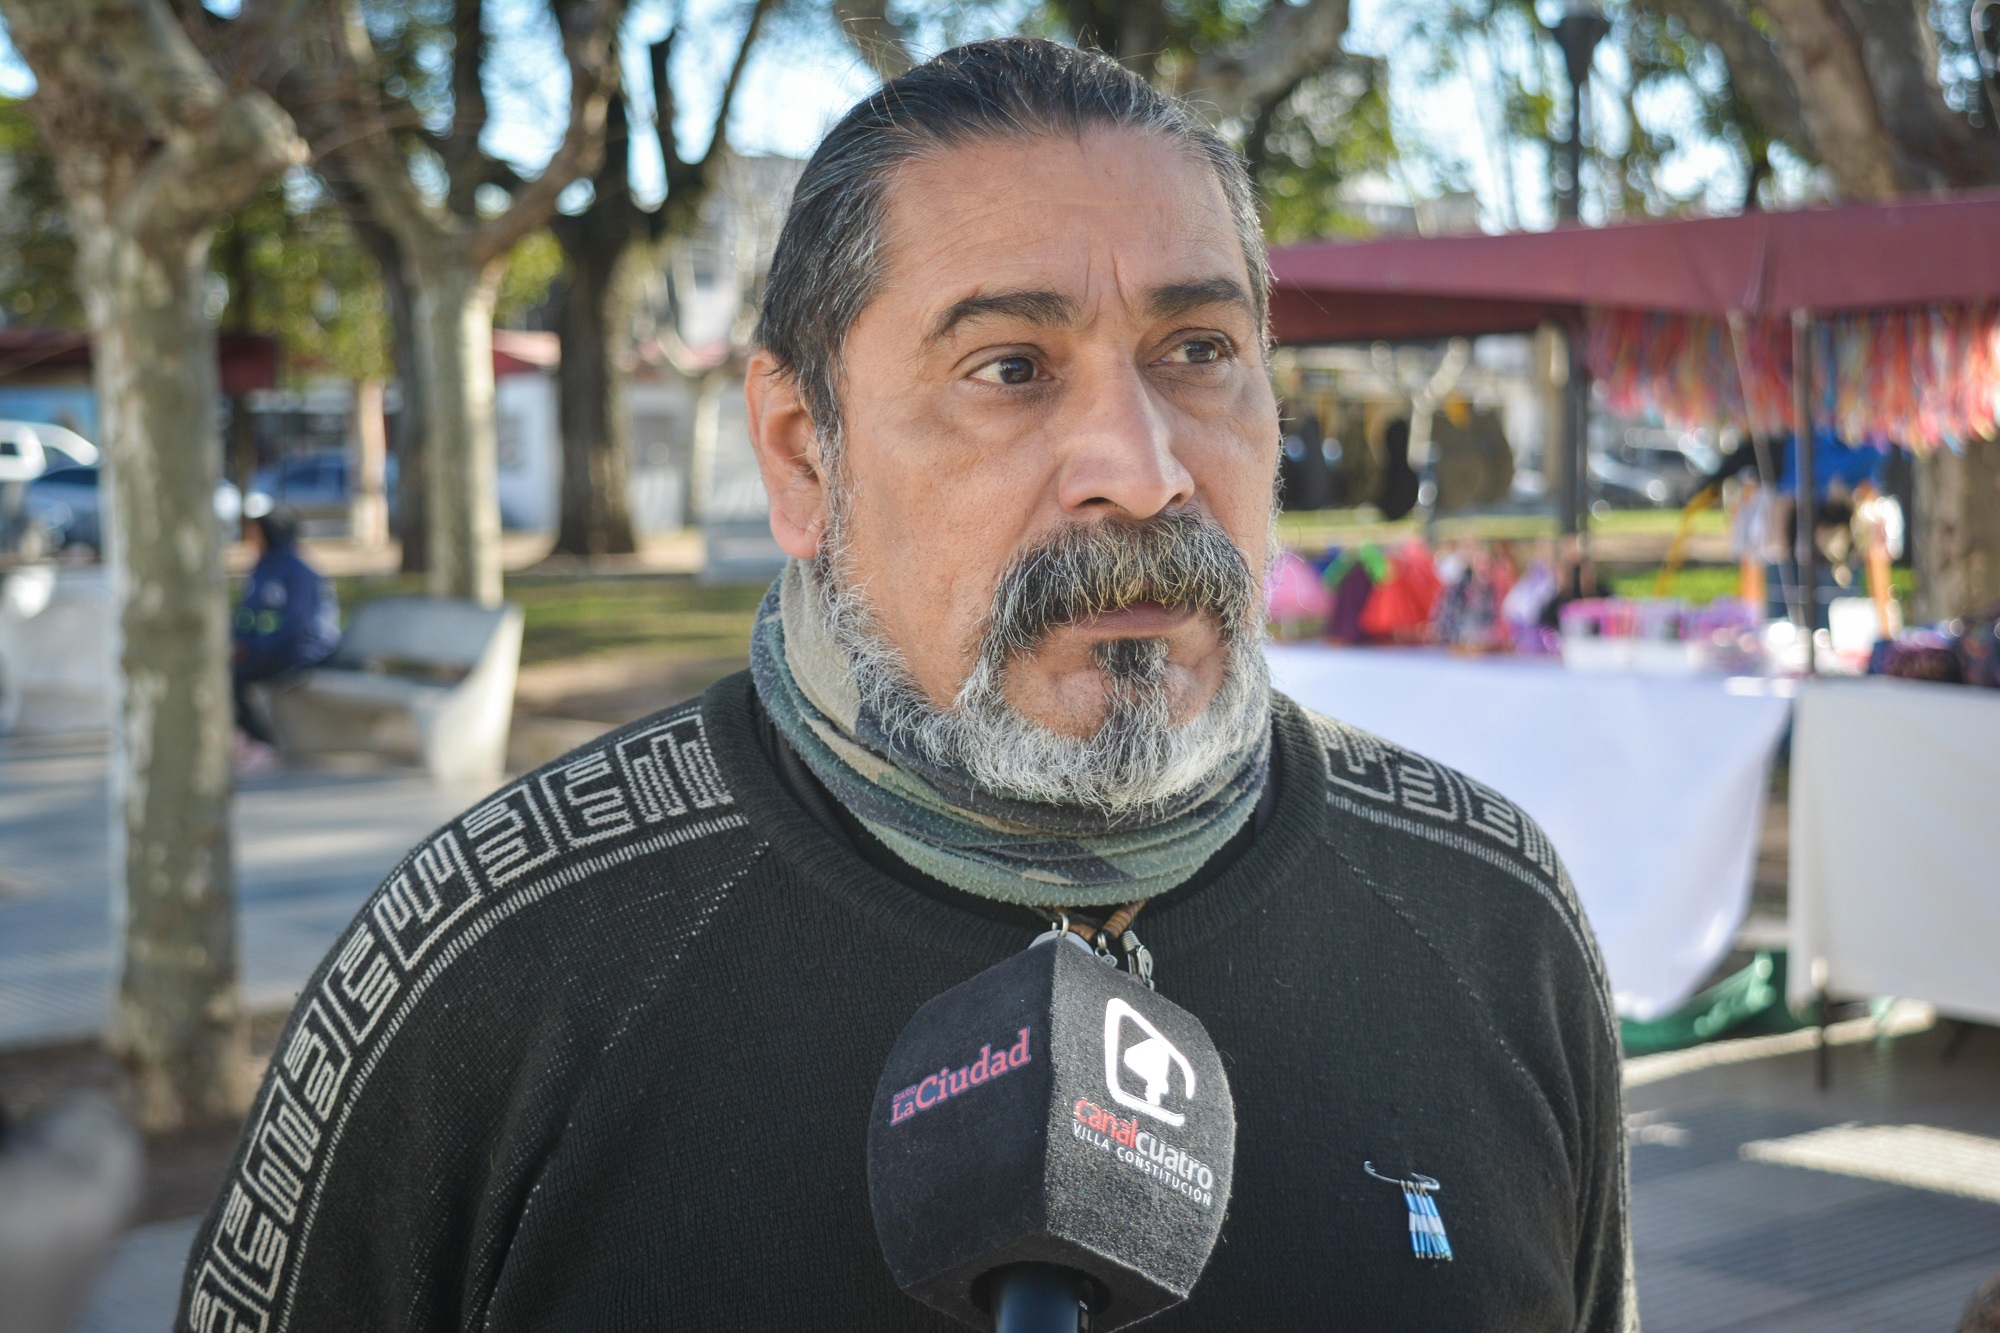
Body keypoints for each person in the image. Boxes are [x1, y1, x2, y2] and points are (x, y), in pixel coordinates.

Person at [180, 40, 1632, 1331]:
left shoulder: (1492, 915)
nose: (1141, 469)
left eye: (1199, 351)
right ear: (801, 452)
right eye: (1010, 368)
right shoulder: (491, 961)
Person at [230, 507, 338, 769]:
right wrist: (239, 641)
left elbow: (299, 626)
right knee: (224, 670)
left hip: (303, 652)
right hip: (271, 648)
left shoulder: (298, 571)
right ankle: (245, 740)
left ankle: (262, 744)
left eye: (254, 532)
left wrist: (254, 648)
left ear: (269, 533)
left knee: (233, 677)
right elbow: (249, 616)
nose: (249, 539)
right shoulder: (263, 567)